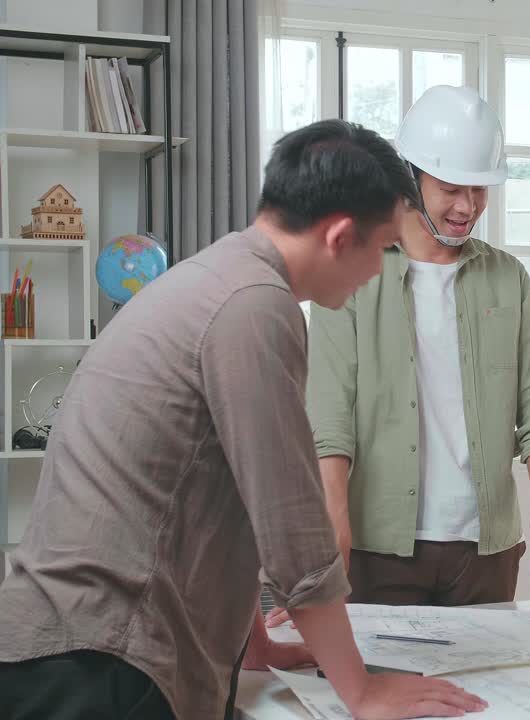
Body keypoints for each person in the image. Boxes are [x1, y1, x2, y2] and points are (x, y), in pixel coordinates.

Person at [0, 119, 488, 718]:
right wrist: (361, 691)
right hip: (102, 662)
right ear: (341, 236)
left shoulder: (219, 275)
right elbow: (290, 521)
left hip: (73, 645)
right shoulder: (256, 306)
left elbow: (232, 491)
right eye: (384, 247)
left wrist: (255, 646)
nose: (380, 269)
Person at [269, 84, 530, 625]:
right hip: (377, 550)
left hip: (487, 552)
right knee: (377, 679)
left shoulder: (508, 278)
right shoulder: (352, 275)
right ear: (410, 177)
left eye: (480, 189)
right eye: (450, 189)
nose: (468, 207)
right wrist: (334, 529)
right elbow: (329, 419)